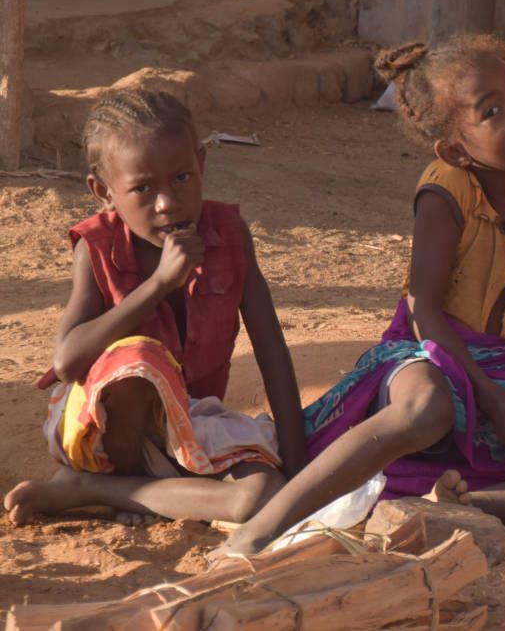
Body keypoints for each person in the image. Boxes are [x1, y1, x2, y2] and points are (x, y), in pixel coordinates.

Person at [219, 34, 505, 555]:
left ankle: (465, 504)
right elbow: (423, 312)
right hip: (422, 361)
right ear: (455, 149)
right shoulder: (447, 188)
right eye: (493, 110)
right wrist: (490, 397)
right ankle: (265, 527)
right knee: (429, 405)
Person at [3, 89, 308, 526]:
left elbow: (272, 351)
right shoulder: (98, 248)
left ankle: (107, 494)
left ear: (201, 164)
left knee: (263, 496)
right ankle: (114, 484)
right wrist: (160, 283)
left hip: (193, 421)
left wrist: (296, 464)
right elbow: (68, 361)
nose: (167, 202)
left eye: (182, 178)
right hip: (105, 433)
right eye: (143, 188)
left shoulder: (230, 234)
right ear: (103, 192)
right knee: (138, 360)